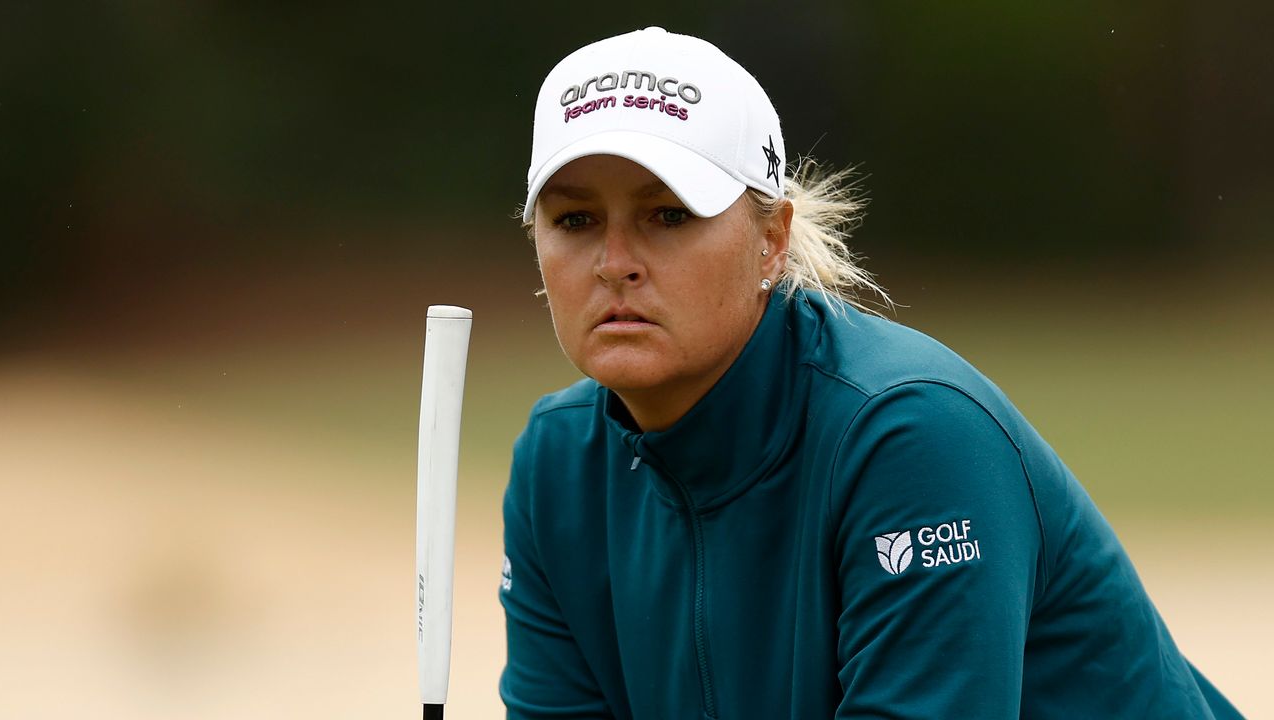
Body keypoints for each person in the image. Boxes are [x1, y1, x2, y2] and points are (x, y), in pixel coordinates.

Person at [499, 27, 1243, 719]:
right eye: (575, 220)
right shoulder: (557, 464)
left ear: (771, 242)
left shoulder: (913, 435)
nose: (615, 262)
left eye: (668, 215)